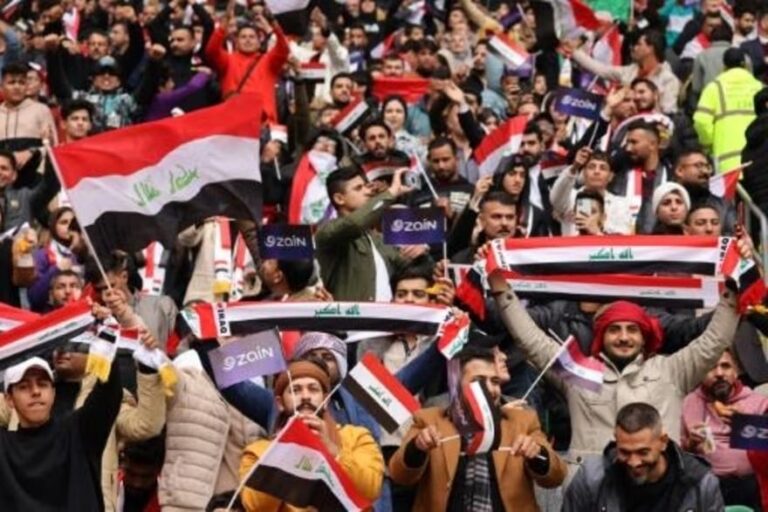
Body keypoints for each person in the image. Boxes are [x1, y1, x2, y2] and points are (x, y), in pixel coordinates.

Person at [486, 254, 741, 458]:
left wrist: (735, 283)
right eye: (614, 329)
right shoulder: (580, 373)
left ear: (644, 337)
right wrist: (501, 290)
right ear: (600, 337)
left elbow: (714, 341)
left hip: (660, 491)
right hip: (593, 493)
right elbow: (532, 341)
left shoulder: (671, 371)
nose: (623, 337)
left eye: (632, 329)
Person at [388, 345, 567, 510]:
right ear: (456, 386)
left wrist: (537, 455)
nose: (490, 389)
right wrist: (417, 448)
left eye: (495, 381)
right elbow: (399, 475)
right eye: (479, 381)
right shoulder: (429, 420)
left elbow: (556, 476)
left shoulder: (522, 421)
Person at [239, 359, 384, 511]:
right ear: (280, 403)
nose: (305, 396)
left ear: (326, 400)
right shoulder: (258, 452)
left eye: (313, 389)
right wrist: (287, 450)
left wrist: (332, 451)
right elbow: (256, 507)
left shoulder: (357, 437)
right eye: (295, 390)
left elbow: (369, 491)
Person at [0, 354, 122, 510]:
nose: (35, 391)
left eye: (43, 384)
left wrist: (104, 351)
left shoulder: (78, 431)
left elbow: (109, 391)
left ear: (53, 393)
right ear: (9, 399)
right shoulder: (3, 446)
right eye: (24, 386)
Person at [563, 402, 724, 511]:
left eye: (643, 452)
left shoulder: (700, 483)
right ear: (616, 441)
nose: (634, 462)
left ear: (663, 442)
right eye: (625, 452)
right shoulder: (592, 478)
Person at [315, 166, 422, 301]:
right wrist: (391, 193)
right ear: (339, 199)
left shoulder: (378, 239)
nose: (367, 191)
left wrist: (420, 251)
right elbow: (354, 224)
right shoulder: (327, 232)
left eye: (366, 186)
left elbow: (411, 269)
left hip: (385, 314)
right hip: (350, 315)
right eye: (358, 188)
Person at [682, 349, 768, 509]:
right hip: (710, 487)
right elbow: (682, 452)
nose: (719, 373)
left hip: (752, 484)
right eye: (711, 367)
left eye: (726, 366)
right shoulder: (690, 402)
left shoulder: (759, 402)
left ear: (736, 372)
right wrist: (691, 443)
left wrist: (746, 424)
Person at [568, 28, 681, 114]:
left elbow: (668, 112)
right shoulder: (630, 71)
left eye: (639, 44)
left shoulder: (669, 80)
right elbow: (600, 69)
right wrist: (573, 51)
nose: (634, 48)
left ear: (650, 49)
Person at [694, 48, 763, 173]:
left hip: (727, 159)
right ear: (745, 65)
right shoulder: (759, 87)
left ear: (724, 66)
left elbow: (701, 120)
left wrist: (708, 145)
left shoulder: (714, 87)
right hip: (759, 158)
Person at [0, 61, 57, 147]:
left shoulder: (41, 110)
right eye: (11, 82)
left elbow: (53, 147)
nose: (17, 87)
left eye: (21, 83)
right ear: (2, 87)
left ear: (26, 86)